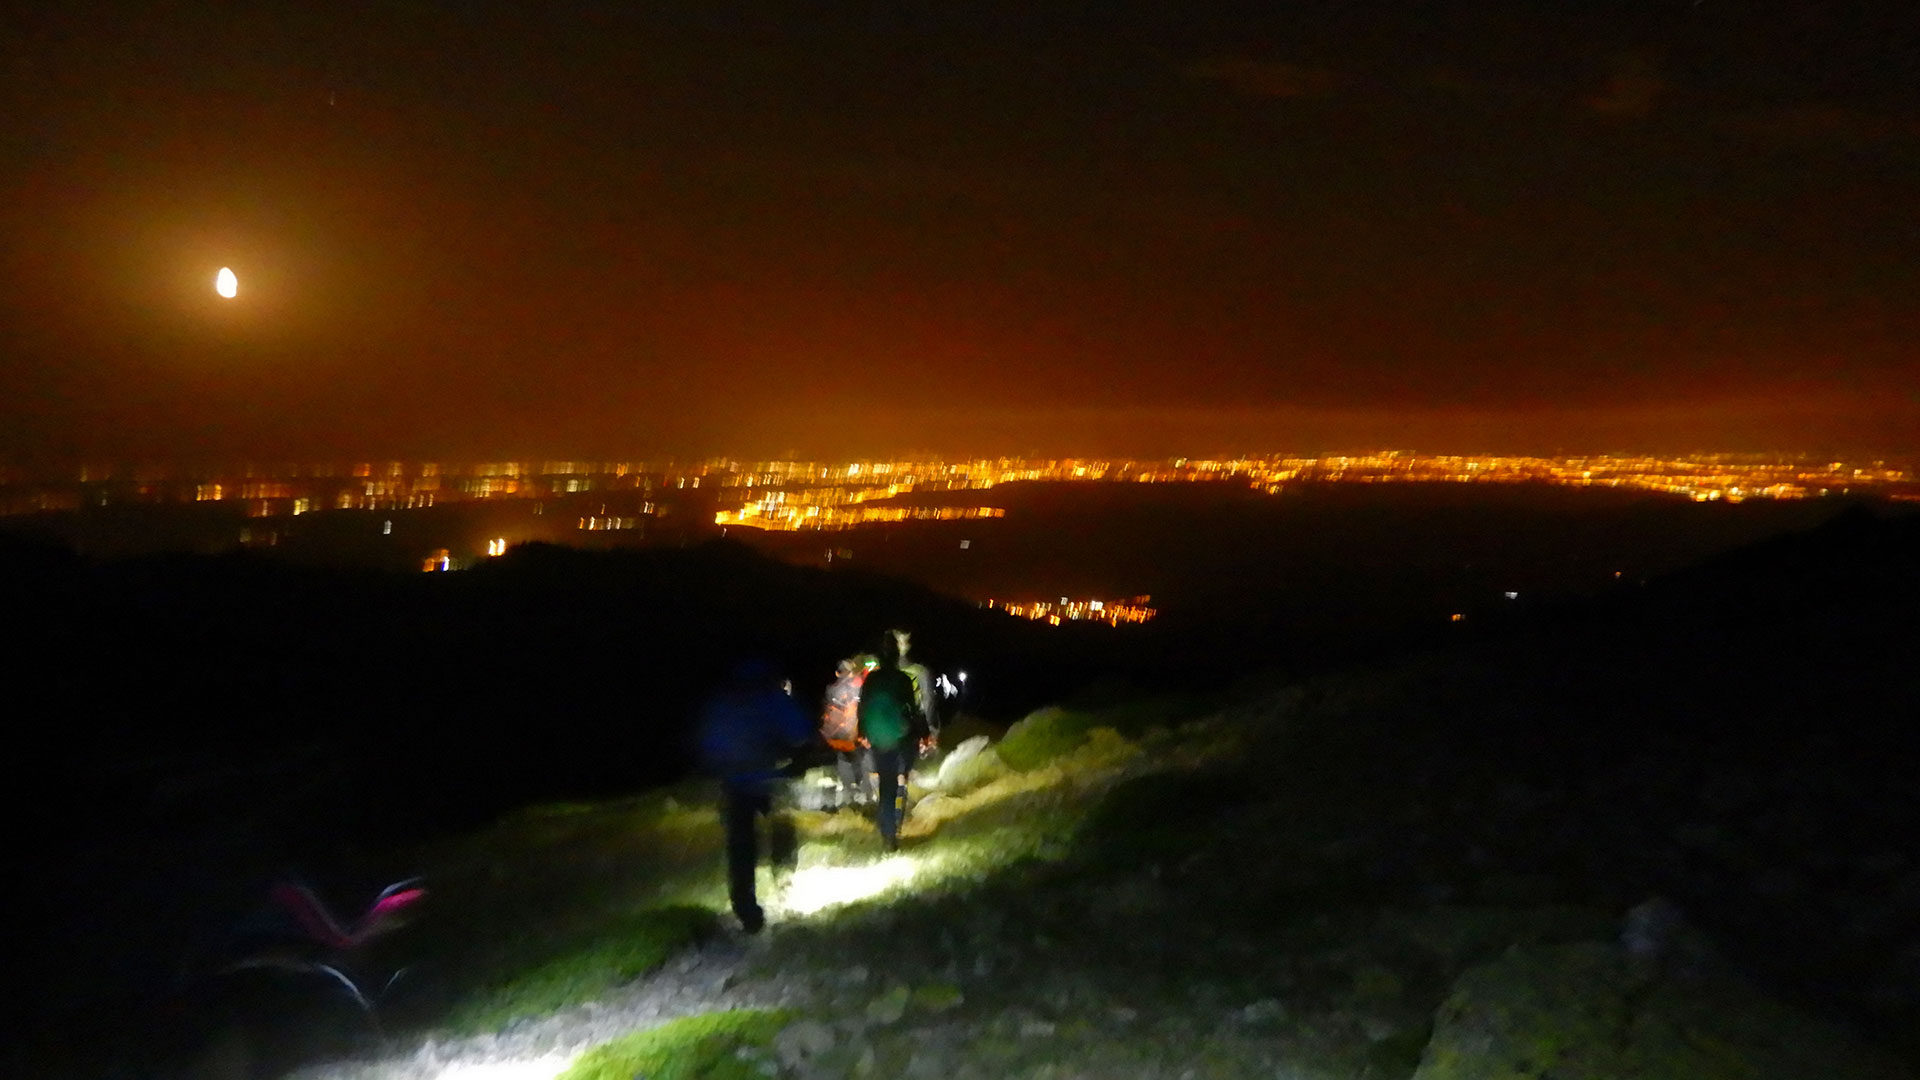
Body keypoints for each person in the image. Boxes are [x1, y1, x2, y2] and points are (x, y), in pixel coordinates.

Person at [694, 656, 815, 933]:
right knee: (782, 831)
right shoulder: (771, 699)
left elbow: (709, 746)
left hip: (735, 784)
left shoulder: (722, 705)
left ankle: (746, 908)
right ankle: (785, 886)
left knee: (741, 846)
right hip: (770, 781)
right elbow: (801, 734)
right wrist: (797, 760)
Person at [858, 634, 927, 852]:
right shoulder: (904, 680)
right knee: (901, 780)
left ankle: (888, 833)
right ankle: (896, 823)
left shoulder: (871, 680)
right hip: (901, 737)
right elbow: (913, 711)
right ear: (897, 656)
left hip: (879, 738)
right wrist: (923, 733)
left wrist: (864, 733)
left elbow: (862, 709)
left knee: (886, 784)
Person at [820, 656, 872, 809]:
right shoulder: (858, 688)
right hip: (854, 735)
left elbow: (827, 711)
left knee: (844, 761)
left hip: (838, 736)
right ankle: (866, 798)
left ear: (837, 673)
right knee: (863, 762)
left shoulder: (831, 689)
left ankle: (850, 798)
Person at [891, 628, 941, 756]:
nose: (902, 646)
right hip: (903, 718)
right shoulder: (920, 671)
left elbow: (928, 699)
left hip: (907, 718)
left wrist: (930, 726)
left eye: (904, 642)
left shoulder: (920, 671)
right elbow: (928, 699)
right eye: (899, 642)